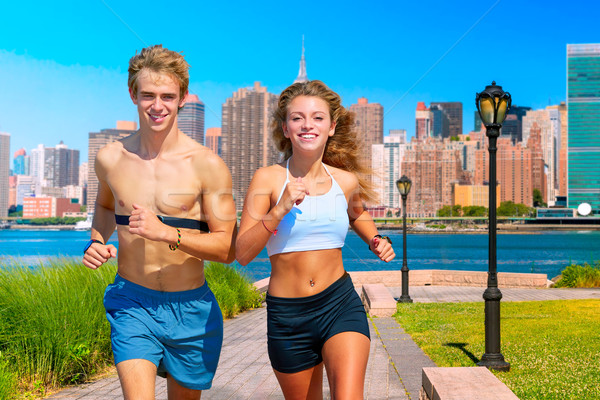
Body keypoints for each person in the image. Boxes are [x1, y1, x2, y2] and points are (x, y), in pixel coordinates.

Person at [82, 44, 236, 400]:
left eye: (168, 96)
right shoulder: (109, 158)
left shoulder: (206, 164)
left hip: (191, 309)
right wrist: (95, 241)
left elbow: (227, 247)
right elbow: (105, 208)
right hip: (131, 302)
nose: (158, 105)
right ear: (133, 94)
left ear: (183, 98)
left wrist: (166, 233)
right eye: (148, 95)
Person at [236, 80, 395, 399]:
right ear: (285, 128)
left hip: (338, 304)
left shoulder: (345, 181)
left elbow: (357, 213)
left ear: (332, 127)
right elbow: (242, 253)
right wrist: (278, 210)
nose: (307, 124)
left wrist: (375, 238)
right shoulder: (267, 179)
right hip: (287, 316)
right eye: (297, 118)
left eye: (318, 117)